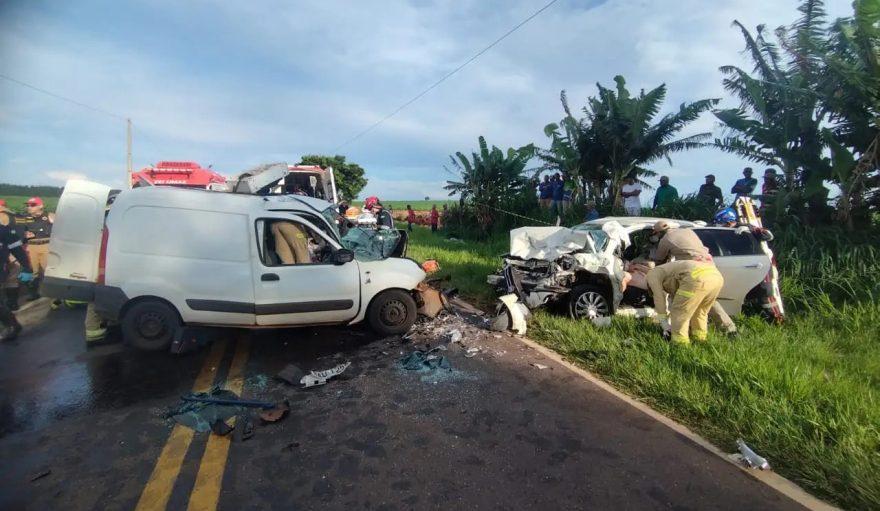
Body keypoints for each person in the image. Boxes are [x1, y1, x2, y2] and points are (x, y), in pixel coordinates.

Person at [650, 220, 736, 336]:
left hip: (693, 271)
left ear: (658, 233)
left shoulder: (666, 239)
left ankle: (676, 335)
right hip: (709, 265)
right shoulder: (688, 231)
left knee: (680, 306)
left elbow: (659, 258)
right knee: (706, 302)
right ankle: (729, 329)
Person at [647, 259, 724, 345]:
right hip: (716, 276)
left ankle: (680, 344)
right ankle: (700, 339)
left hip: (695, 278)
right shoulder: (668, 269)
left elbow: (658, 297)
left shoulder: (651, 275)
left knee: (679, 312)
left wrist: (664, 323)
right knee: (700, 311)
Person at [1, 221, 33, 341]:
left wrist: (27, 268)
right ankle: (13, 325)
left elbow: (18, 251)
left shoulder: (4, 231)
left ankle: (12, 325)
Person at [21, 197, 54, 300]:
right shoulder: (24, 218)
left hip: (46, 245)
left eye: (32, 205)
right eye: (28, 205)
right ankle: (33, 293)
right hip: (32, 246)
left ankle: (53, 294)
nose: (29, 207)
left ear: (41, 206)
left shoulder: (49, 216)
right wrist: (25, 234)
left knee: (48, 271)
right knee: (32, 271)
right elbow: (18, 232)